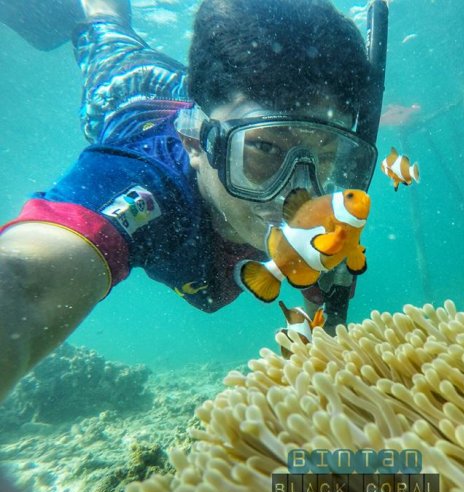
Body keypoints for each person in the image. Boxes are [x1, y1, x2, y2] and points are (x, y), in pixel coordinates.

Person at [0, 0, 388, 402]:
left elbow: (317, 271)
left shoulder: (322, 208)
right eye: (267, 148)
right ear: (194, 142)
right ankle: (102, 13)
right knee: (108, 35)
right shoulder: (142, 183)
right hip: (124, 91)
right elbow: (24, 279)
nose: (295, 193)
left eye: (326, 155)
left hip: (207, 97)